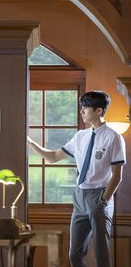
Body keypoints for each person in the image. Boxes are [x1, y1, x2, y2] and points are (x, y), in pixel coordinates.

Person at [28, 90, 126, 267]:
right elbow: (53, 157)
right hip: (80, 197)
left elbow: (117, 176)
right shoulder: (80, 136)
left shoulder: (114, 138)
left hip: (100, 197)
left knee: (101, 256)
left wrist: (103, 201)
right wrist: (31, 143)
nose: (81, 112)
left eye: (85, 108)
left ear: (98, 111)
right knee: (74, 255)